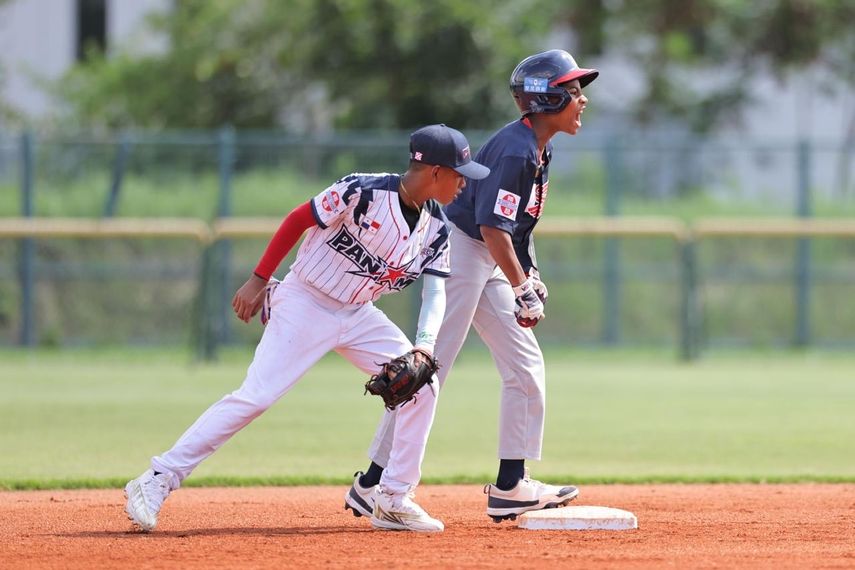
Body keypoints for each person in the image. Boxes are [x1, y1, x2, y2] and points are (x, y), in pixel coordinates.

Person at [124, 124, 489, 534]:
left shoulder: (437, 228)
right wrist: (259, 279)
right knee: (256, 397)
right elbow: (298, 219)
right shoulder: (362, 190)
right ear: (435, 171)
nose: (464, 183)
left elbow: (435, 291)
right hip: (305, 301)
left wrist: (423, 347)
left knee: (424, 385)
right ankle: (157, 478)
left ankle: (392, 498)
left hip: (358, 314)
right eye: (460, 174)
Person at [346, 49, 599, 523]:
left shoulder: (539, 148)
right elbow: (490, 228)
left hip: (490, 253)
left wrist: (532, 275)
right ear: (546, 98)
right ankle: (374, 482)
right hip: (463, 251)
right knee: (426, 371)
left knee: (525, 366)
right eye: (572, 91)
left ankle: (511, 486)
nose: (581, 100)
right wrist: (521, 285)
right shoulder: (516, 148)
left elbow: (518, 227)